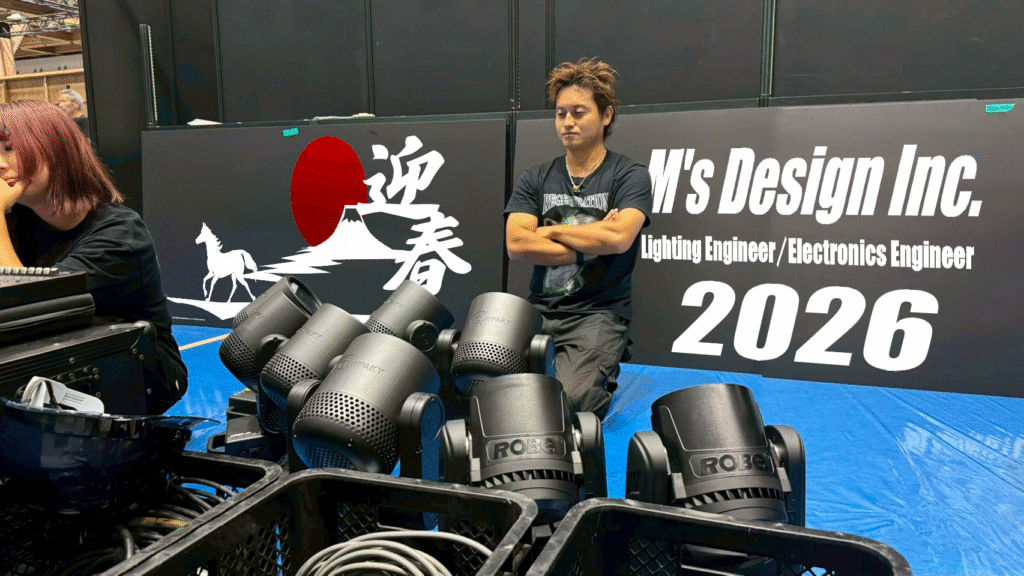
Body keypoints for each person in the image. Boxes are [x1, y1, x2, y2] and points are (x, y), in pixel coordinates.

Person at [0, 100, 187, 414]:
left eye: (9, 149)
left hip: (138, 367)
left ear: (56, 151)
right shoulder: (17, 220)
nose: (1, 163)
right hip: (58, 354)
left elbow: (17, 308)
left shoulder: (120, 237)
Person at [504, 58, 653, 420]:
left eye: (579, 112)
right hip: (539, 309)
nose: (567, 122)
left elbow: (619, 237)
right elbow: (517, 244)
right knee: (487, 387)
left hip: (598, 314)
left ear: (606, 116)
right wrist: (591, 242)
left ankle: (601, 371)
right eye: (561, 114)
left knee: (567, 405)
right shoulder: (536, 177)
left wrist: (550, 230)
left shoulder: (629, 175)